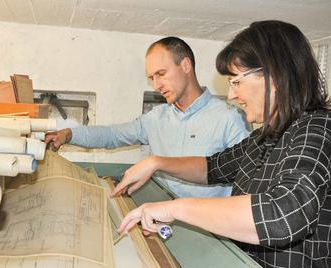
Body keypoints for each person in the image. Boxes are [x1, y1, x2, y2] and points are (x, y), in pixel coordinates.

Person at [115, 20, 331, 268]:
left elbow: (283, 214)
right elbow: (212, 167)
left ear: (274, 76)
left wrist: (176, 209)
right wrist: (156, 162)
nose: (230, 95)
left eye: (236, 82)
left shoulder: (316, 129)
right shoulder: (266, 136)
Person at [45, 37, 250, 198]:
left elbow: (247, 184)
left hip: (211, 234)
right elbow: (112, 135)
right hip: (163, 217)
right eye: (152, 77)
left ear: (186, 65)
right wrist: (68, 134)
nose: (156, 85)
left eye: (161, 73)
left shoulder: (229, 119)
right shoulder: (156, 118)